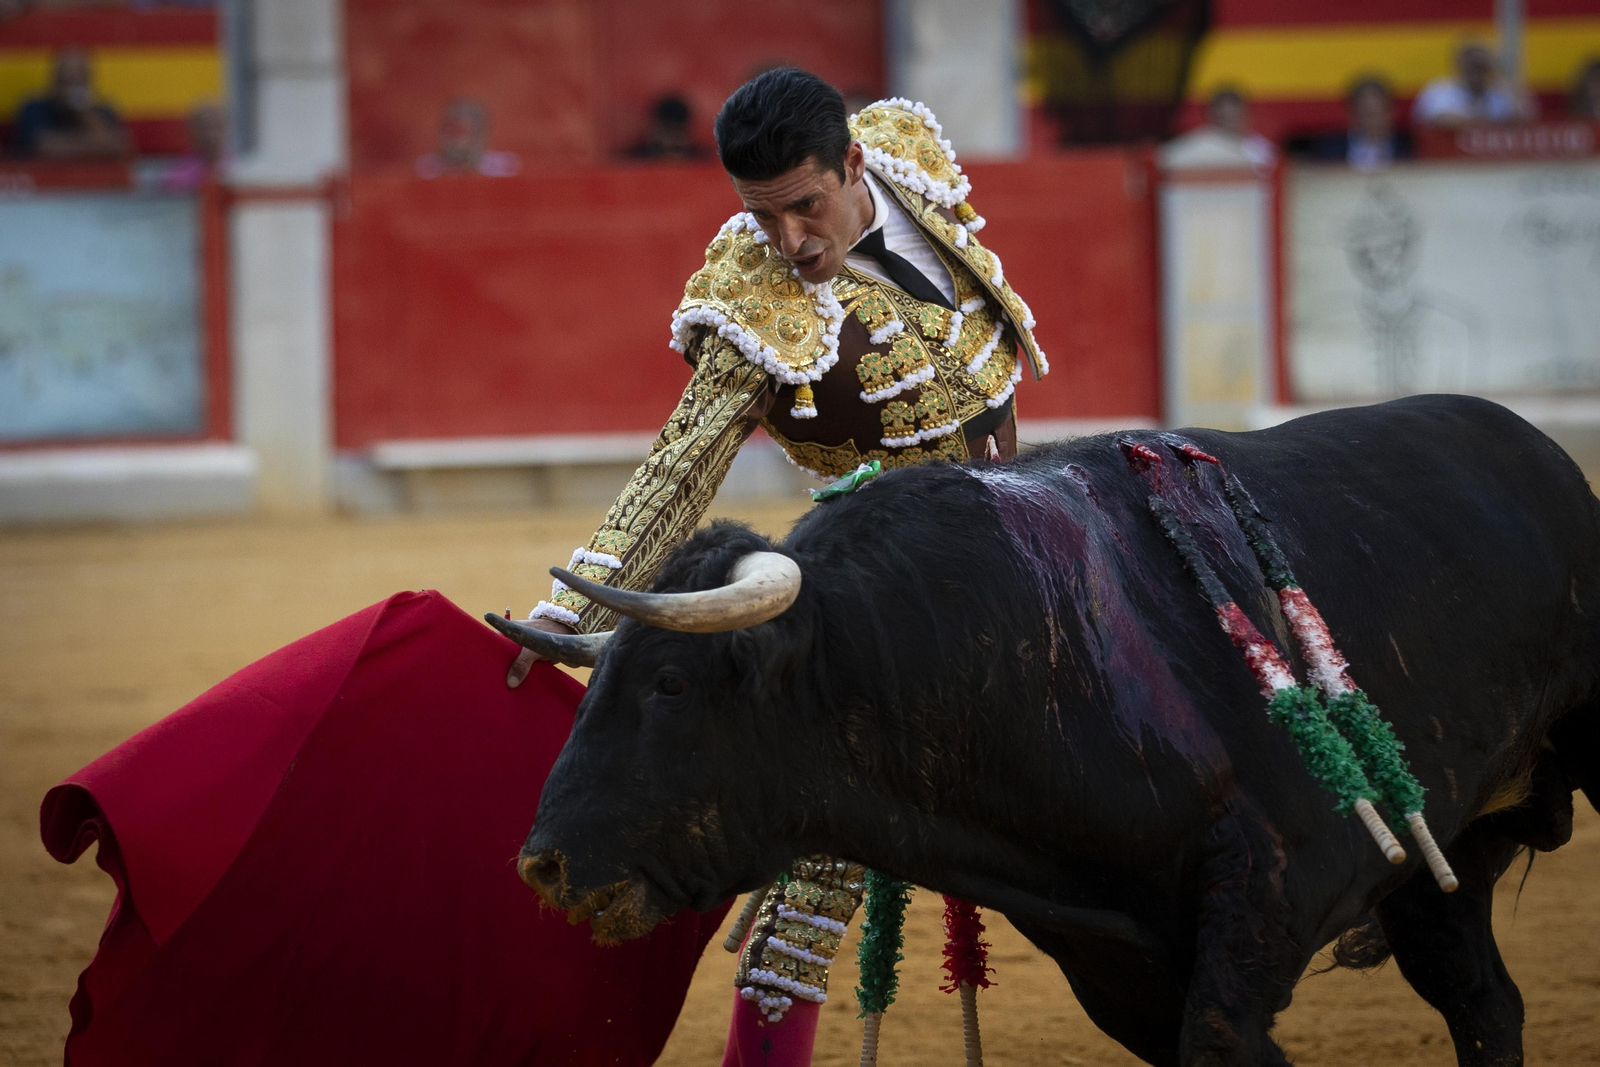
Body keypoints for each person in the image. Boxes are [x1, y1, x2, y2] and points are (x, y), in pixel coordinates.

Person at [503, 67, 1049, 1067]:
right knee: (813, 880)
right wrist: (568, 602)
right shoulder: (747, 302)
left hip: (1030, 553)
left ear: (853, 163)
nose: (792, 243)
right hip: (881, 607)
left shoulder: (907, 155)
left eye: (805, 208)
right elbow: (681, 463)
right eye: (765, 219)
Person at [9, 47, 130, 160]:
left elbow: (119, 146)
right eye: (66, 81)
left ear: (89, 82)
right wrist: (96, 145)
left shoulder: (101, 110)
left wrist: (84, 112)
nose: (71, 90)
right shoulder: (35, 108)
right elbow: (44, 147)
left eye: (77, 81)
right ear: (54, 82)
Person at [1412, 41, 1536, 128]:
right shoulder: (1440, 89)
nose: (1474, 72)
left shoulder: (1499, 92)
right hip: (1445, 160)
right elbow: (1440, 119)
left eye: (1479, 67)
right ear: (1459, 65)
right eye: (1469, 65)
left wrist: (1498, 73)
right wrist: (1490, 124)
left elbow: (1524, 115)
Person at [1304, 77, 1413, 171]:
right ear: (1351, 113)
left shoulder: (1409, 150)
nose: (1373, 121)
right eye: (1366, 114)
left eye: (1378, 114)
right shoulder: (1329, 150)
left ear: (1392, 112)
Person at [1160, 86, 1277, 172]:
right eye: (1222, 118)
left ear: (1245, 115)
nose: (1228, 124)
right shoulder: (1195, 143)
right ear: (1209, 116)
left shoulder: (1262, 151)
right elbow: (1162, 158)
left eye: (1233, 117)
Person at [415, 97, 520, 178]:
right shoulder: (427, 168)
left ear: (482, 133)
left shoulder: (504, 166)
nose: (459, 144)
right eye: (453, 133)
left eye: (465, 133)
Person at [624, 95, 710, 160]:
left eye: (679, 132)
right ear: (654, 130)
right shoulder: (634, 161)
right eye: (667, 132)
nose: (673, 140)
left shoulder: (701, 160)